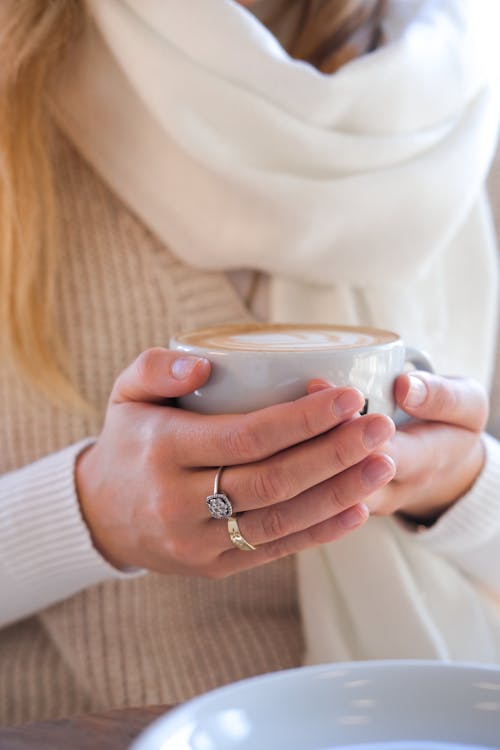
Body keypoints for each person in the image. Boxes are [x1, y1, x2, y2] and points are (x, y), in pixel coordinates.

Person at [1, 0, 500, 726]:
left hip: (427, 724)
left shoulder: (466, 90)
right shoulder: (20, 76)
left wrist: (463, 488)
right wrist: (90, 515)